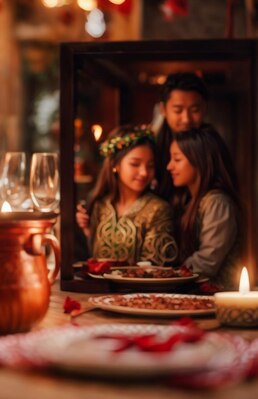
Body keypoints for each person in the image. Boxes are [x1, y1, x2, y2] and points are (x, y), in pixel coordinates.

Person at [76, 124, 178, 266]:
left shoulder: (158, 210)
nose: (144, 172)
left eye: (150, 165)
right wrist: (87, 233)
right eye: (135, 164)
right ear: (115, 165)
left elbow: (153, 268)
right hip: (97, 287)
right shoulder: (98, 206)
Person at [167, 124, 242, 290]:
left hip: (219, 298)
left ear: (199, 160)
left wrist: (169, 277)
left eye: (177, 159)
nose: (169, 166)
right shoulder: (191, 200)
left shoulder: (217, 202)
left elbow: (208, 260)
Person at [155, 72, 209, 200]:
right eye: (178, 110)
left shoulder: (211, 146)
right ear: (163, 109)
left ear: (204, 108)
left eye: (194, 110)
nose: (186, 119)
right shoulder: (153, 145)